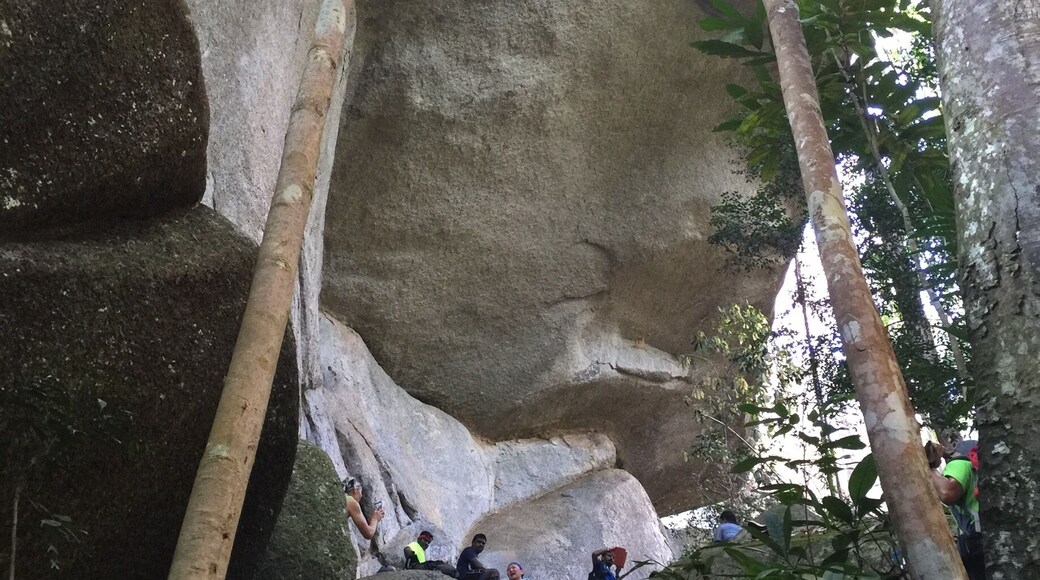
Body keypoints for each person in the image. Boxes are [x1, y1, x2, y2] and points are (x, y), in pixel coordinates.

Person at [927, 439, 986, 580]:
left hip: (974, 539)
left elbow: (947, 493)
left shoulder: (960, 463)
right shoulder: (983, 471)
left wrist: (930, 467)